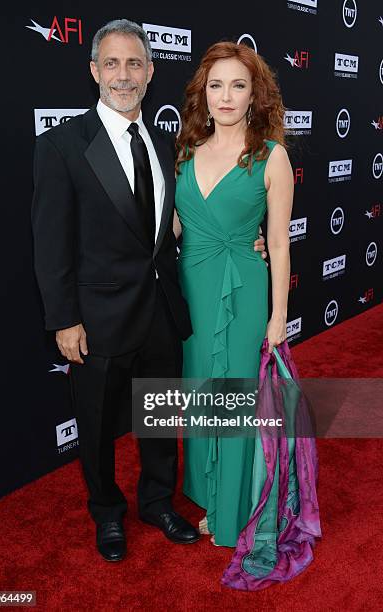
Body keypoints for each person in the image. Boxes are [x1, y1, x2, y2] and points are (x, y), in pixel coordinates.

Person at [31, 19, 268, 563]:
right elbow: (50, 244)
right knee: (94, 427)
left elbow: (184, 222)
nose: (123, 75)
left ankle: (158, 502)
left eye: (134, 63)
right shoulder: (63, 147)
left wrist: (245, 239)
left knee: (160, 416)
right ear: (93, 71)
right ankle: (107, 513)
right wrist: (64, 319)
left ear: (151, 71)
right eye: (111, 64)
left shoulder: (169, 147)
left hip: (162, 311)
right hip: (97, 318)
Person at [174, 42, 293, 548]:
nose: (225, 96)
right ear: (204, 92)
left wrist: (278, 315)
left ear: (254, 95)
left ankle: (236, 504)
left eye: (238, 85)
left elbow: (281, 240)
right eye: (216, 85)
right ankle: (209, 491)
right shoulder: (184, 153)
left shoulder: (272, 156)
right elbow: (172, 229)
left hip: (245, 291)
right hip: (192, 292)